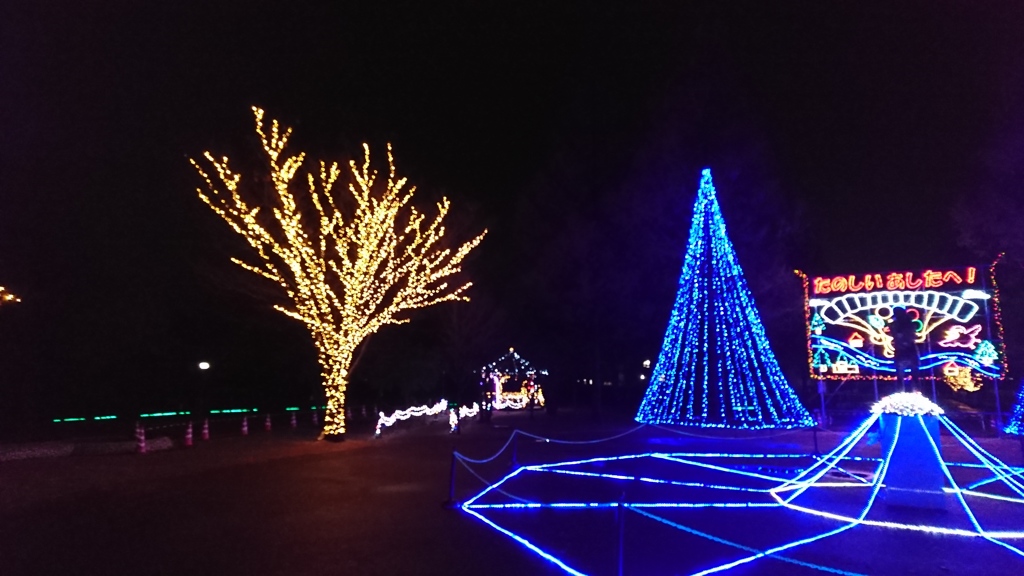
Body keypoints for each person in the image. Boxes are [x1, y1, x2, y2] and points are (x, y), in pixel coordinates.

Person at [890, 307, 920, 391]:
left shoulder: (900, 324)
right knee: (911, 373)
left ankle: (912, 390)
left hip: (905, 349)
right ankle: (913, 390)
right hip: (905, 349)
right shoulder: (908, 324)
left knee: (909, 373)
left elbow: (896, 335)